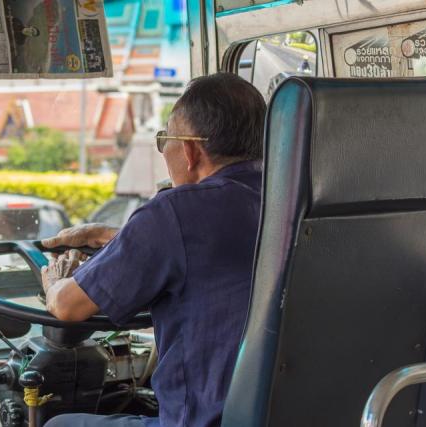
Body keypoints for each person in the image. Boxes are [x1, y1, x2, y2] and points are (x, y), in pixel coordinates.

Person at [40, 73, 267, 427]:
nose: (165, 151)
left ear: (190, 149)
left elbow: (68, 307)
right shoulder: (285, 198)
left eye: (166, 139)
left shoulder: (176, 211)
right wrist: (111, 236)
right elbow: (209, 248)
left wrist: (54, 280)